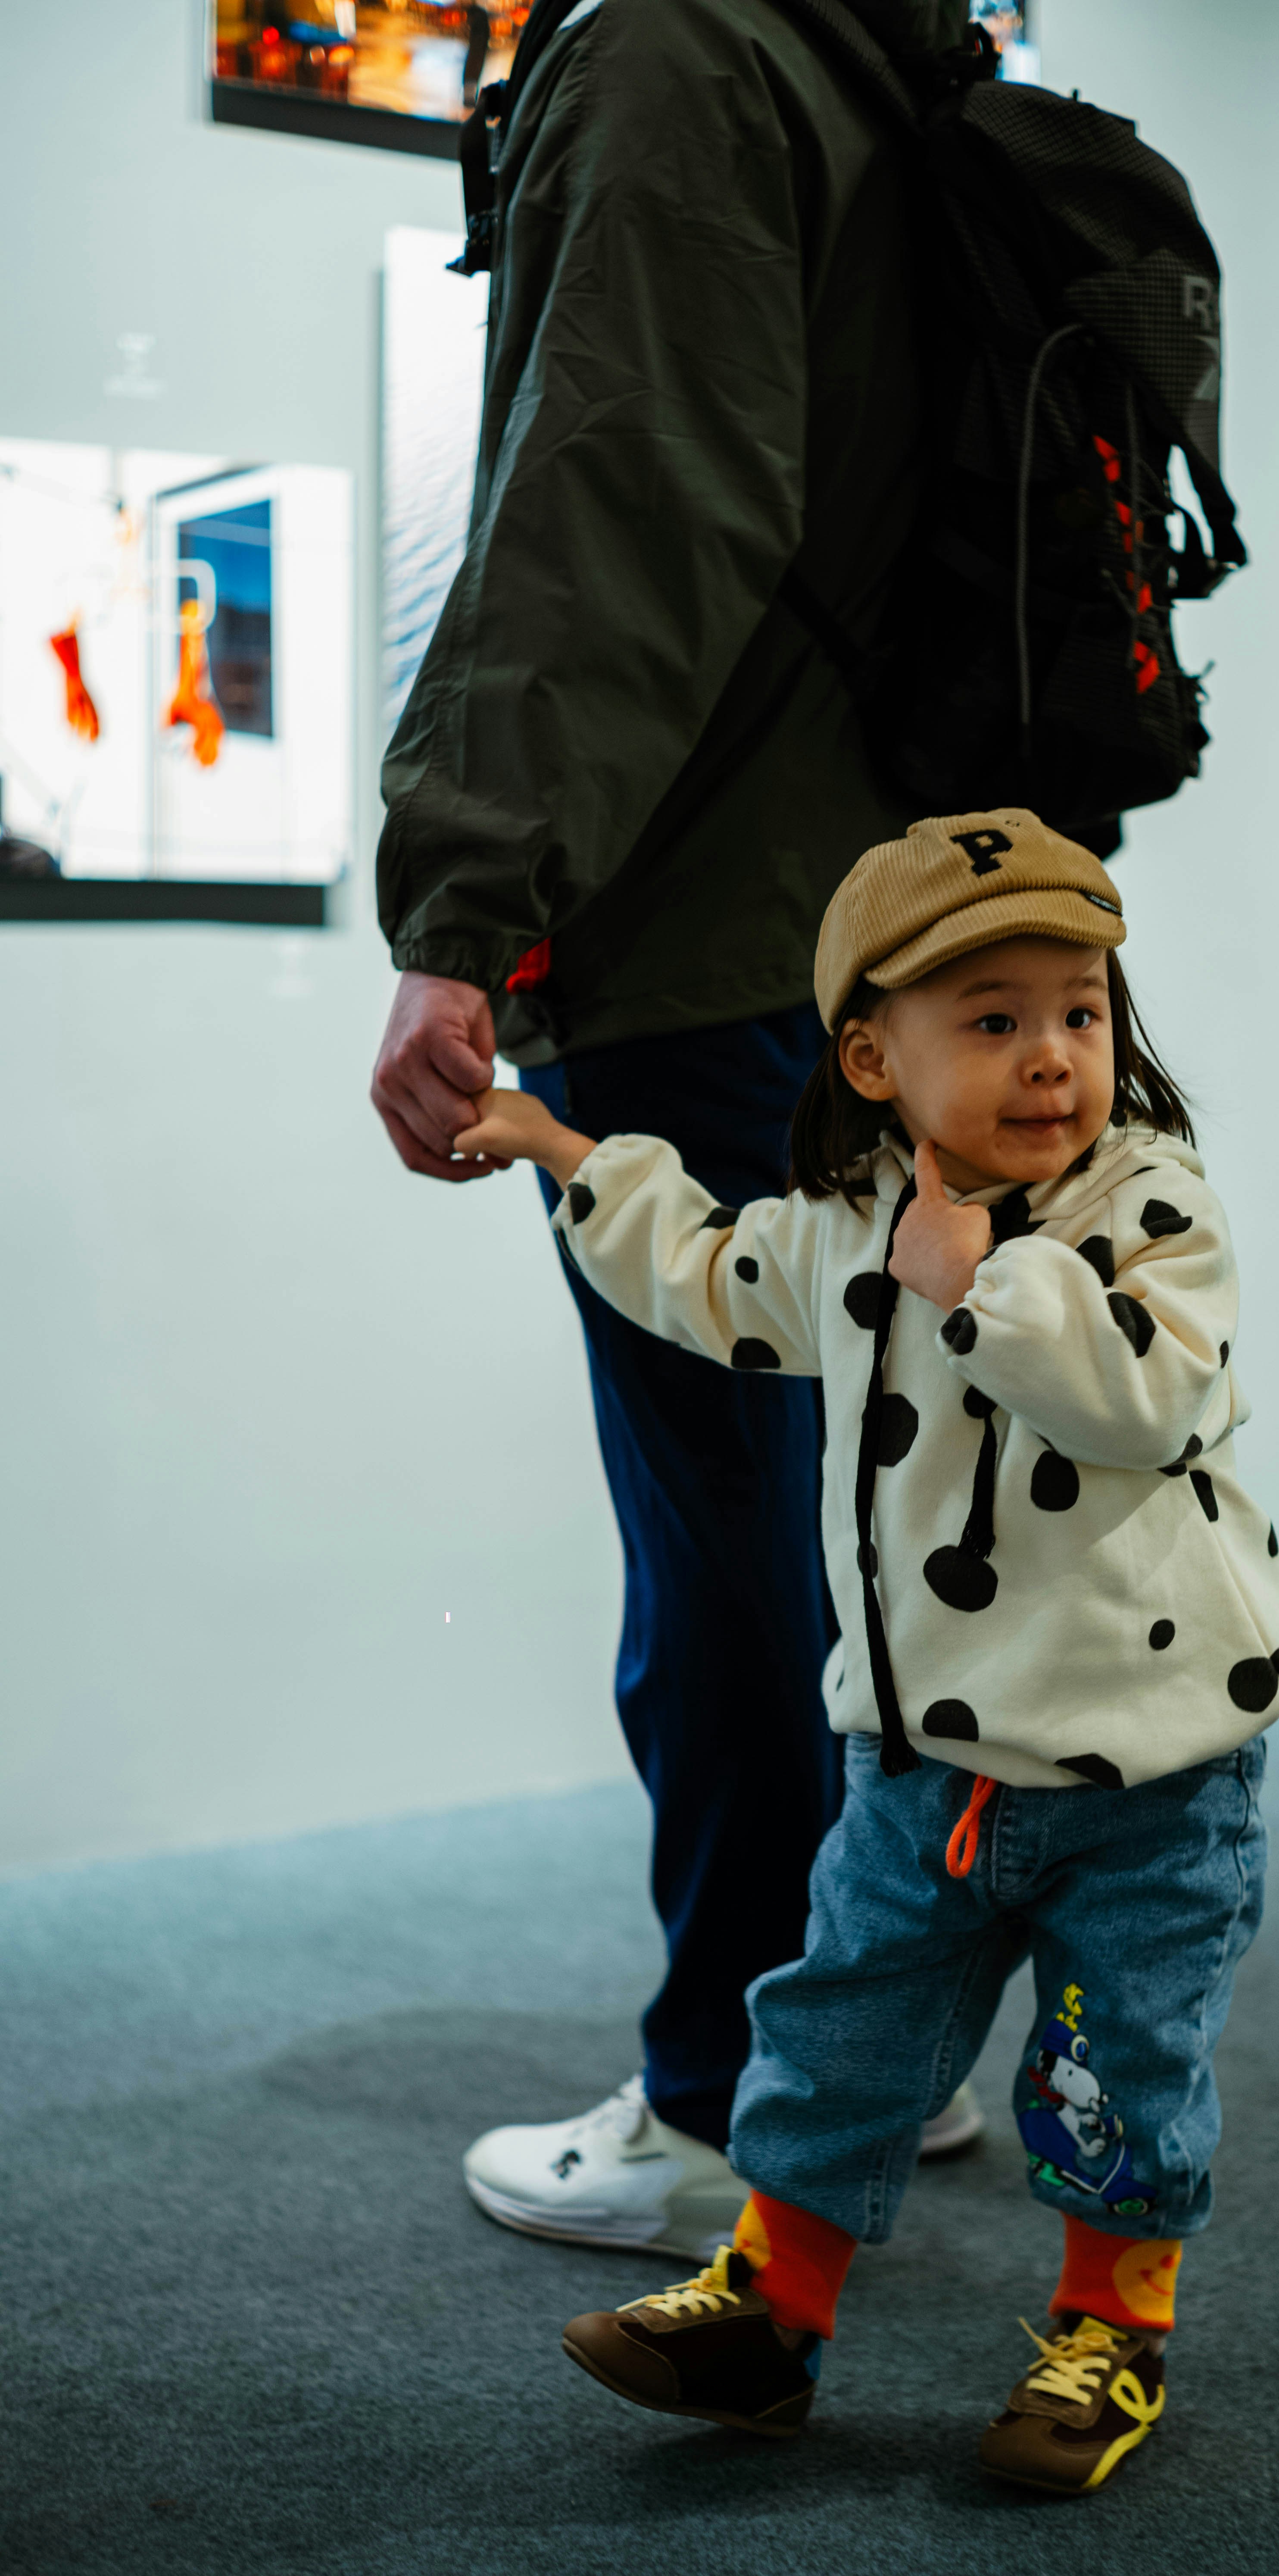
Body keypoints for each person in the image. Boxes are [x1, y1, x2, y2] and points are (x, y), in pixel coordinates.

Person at [450, 809, 1279, 2497]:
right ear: (871, 1056)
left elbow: (1152, 1394)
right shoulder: (849, 1221)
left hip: (1145, 1772)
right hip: (919, 1764)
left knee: (1115, 2065)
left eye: (1079, 1010)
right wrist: (565, 1150)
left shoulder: (1149, 1201)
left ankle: (1109, 2332)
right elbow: (707, 1274)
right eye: (992, 1018)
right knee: (834, 2027)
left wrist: (984, 1285)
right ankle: (768, 2312)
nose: (1052, 1053)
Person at [369, 0, 983, 2257]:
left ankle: (738, 2101)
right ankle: (876, 2045)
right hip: (885, 924)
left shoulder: (665, 51)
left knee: (721, 1533)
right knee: (873, 1509)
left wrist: (463, 900)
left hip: (710, 934)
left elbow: (616, 502)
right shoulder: (857, 51)